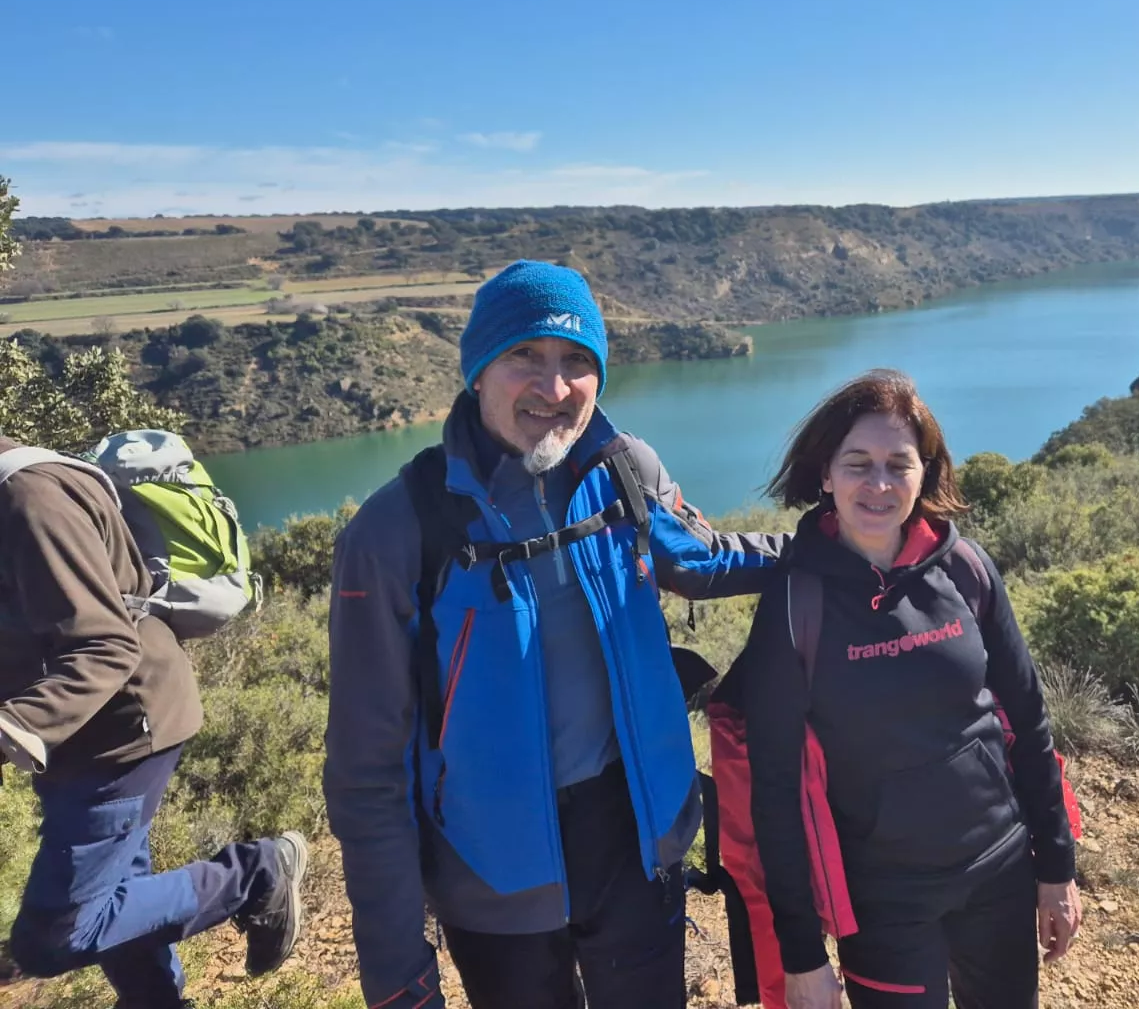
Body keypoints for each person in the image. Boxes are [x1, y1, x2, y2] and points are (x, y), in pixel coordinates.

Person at [324, 261, 787, 1009]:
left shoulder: (625, 469)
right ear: (477, 372)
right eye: (524, 356)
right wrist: (395, 972)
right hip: (490, 869)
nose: (554, 386)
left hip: (637, 841)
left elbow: (697, 558)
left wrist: (831, 549)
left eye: (577, 361)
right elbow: (365, 768)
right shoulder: (397, 529)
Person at [741, 371, 1079, 1009]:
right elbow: (776, 791)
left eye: (899, 465)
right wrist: (803, 957)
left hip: (999, 871)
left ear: (925, 474)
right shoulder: (795, 601)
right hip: (883, 902)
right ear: (825, 475)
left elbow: (1030, 723)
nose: (878, 484)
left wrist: (1056, 867)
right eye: (857, 463)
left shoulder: (966, 569)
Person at [0, 437, 306, 1008]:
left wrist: (14, 725)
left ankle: (256, 874)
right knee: (121, 897)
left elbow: (104, 646)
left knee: (54, 937)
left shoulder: (28, 498)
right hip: (83, 736)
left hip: (121, 731)